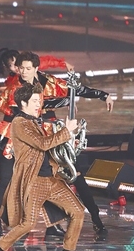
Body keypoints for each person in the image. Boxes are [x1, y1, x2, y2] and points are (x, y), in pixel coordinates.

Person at [14, 51, 112, 236]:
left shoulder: (48, 81)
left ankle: (96, 219)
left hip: (56, 136)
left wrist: (103, 95)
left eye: (28, 68)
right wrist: (66, 101)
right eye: (21, 68)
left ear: (36, 68)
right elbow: (37, 105)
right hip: (34, 139)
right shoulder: (16, 87)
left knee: (76, 175)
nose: (24, 72)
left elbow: (74, 89)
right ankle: (37, 226)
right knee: (39, 181)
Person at [0, 83, 85, 251]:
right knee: (28, 224)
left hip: (51, 179)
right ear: (23, 103)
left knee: (78, 211)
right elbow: (42, 143)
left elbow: (48, 145)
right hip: (34, 182)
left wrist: (70, 135)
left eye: (39, 100)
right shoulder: (20, 123)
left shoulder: (33, 121)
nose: (38, 104)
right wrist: (66, 131)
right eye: (34, 101)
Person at [0, 48, 73, 239]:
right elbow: (11, 108)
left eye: (21, 65)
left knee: (46, 177)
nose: (19, 69)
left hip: (34, 134)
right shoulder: (14, 85)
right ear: (9, 68)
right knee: (6, 180)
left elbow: (45, 62)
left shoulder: (35, 79)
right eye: (14, 66)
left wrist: (61, 63)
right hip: (13, 137)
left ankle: (53, 225)